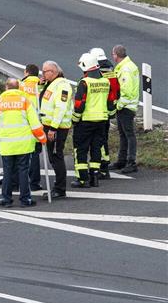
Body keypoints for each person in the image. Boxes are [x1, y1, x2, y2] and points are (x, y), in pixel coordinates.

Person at [0, 78, 46, 207]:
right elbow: (35, 124)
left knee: (8, 172)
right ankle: (25, 199)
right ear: (19, 88)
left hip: (7, 144)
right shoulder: (26, 102)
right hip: (23, 144)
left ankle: (6, 199)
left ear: (6, 87)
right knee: (23, 172)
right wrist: (42, 138)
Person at [70, 52, 115, 188]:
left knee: (81, 149)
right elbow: (110, 103)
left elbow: (79, 104)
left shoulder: (84, 83)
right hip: (101, 121)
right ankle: (94, 177)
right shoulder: (105, 82)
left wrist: (74, 120)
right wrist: (110, 115)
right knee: (96, 148)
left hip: (85, 121)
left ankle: (82, 179)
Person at [39, 60, 73, 199]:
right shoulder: (51, 84)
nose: (43, 73)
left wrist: (53, 128)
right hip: (49, 125)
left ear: (53, 72)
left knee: (56, 157)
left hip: (57, 127)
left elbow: (61, 108)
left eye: (45, 71)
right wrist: (42, 85)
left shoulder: (63, 86)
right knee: (53, 157)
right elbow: (44, 99)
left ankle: (60, 188)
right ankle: (58, 187)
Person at [90, 47, 119, 179]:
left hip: (97, 112)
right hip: (108, 111)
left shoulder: (96, 74)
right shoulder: (111, 72)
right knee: (104, 139)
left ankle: (102, 167)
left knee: (98, 141)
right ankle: (104, 165)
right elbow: (116, 91)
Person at [111, 45, 140, 174]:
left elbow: (126, 90)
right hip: (127, 105)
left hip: (126, 106)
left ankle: (131, 162)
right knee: (124, 134)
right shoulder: (127, 66)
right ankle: (122, 160)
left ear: (116, 55)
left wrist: (118, 105)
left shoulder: (125, 69)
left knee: (129, 134)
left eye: (113, 54)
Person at [20, 64, 43, 191]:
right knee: (35, 154)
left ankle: (18, 181)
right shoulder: (42, 85)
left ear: (26, 73)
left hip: (23, 123)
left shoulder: (21, 85)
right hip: (38, 122)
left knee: (22, 154)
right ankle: (35, 183)